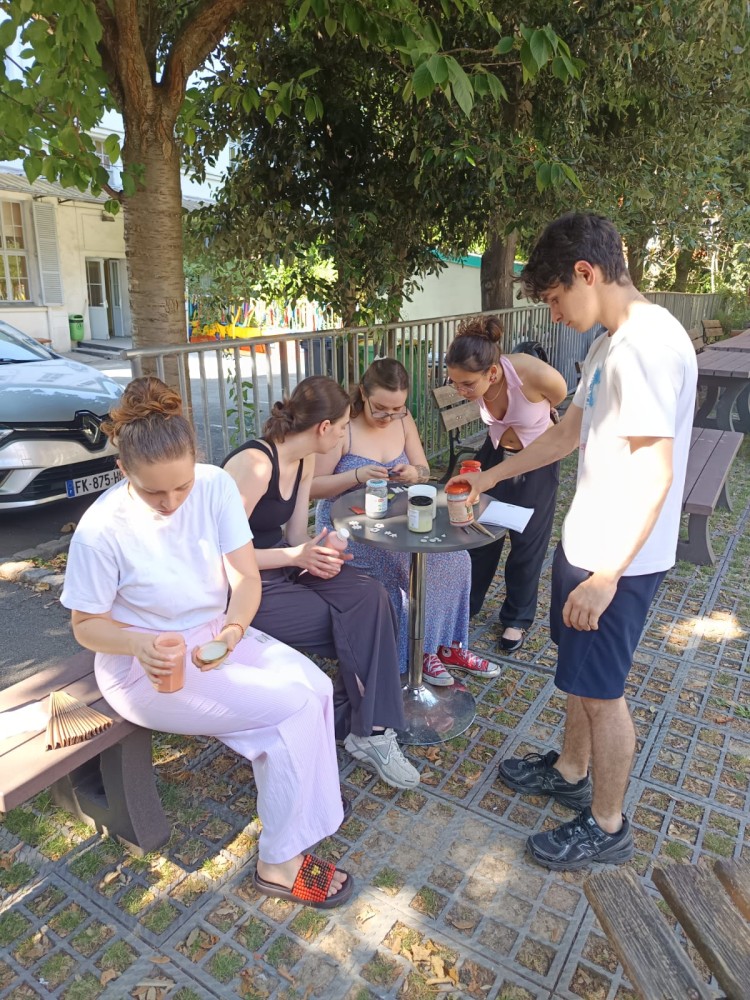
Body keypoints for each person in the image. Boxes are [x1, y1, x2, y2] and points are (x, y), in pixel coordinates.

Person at [449, 212, 697, 870]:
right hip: (587, 542)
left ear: (586, 273)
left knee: (602, 692)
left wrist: (607, 575)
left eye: (556, 298)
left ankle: (608, 824)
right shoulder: (612, 344)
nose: (555, 315)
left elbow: (655, 472)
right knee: (581, 678)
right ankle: (569, 769)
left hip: (617, 561)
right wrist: (488, 478)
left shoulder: (646, 348)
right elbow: (565, 433)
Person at [60, 377, 353, 909]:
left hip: (216, 634)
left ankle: (307, 806)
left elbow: (245, 579)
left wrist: (234, 630)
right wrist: (139, 646)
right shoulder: (101, 528)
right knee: (289, 711)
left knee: (314, 686)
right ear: (123, 470)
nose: (171, 502)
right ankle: (278, 864)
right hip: (142, 666)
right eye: (153, 492)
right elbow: (86, 626)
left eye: (181, 486)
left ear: (195, 462)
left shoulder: (215, 485)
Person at [222, 375, 420, 790]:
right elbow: (220, 555)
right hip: (241, 583)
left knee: (373, 596)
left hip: (281, 562)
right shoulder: (255, 465)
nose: (347, 434)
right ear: (324, 427)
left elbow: (296, 536)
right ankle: (367, 730)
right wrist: (297, 557)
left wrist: (320, 549)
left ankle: (358, 724)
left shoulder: (304, 459)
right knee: (350, 623)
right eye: (345, 425)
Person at [311, 358, 500, 686]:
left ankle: (447, 645)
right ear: (363, 393)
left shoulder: (403, 419)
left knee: (456, 559)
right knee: (404, 571)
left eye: (396, 409)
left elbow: (423, 470)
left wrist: (414, 474)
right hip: (350, 530)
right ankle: (418, 653)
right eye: (380, 409)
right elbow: (314, 487)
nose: (389, 417)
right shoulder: (345, 426)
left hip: (396, 520)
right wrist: (356, 475)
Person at [445, 319, 568, 652]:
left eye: (467, 384)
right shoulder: (477, 379)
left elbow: (559, 394)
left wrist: (541, 420)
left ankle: (516, 618)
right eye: (455, 383)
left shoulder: (530, 372)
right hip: (495, 453)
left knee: (527, 542)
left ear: (492, 373)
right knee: (479, 532)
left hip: (535, 462)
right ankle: (467, 604)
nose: (461, 392)